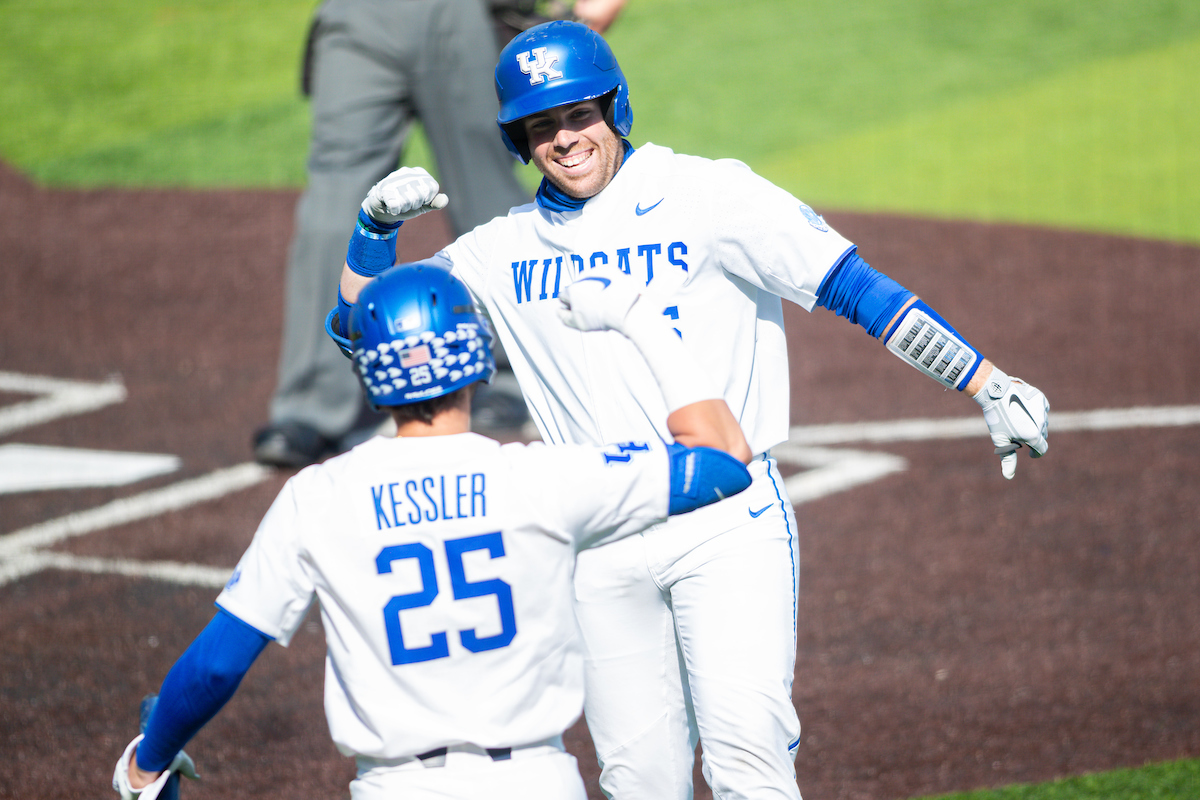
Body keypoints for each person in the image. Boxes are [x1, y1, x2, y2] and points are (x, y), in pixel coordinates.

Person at [330, 20, 1051, 799]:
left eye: (579, 114)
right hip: (601, 541)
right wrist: (372, 235)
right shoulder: (499, 251)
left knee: (750, 763)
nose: (565, 139)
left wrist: (984, 381)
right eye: (541, 125)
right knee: (640, 783)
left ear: (616, 108)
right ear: (519, 138)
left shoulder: (710, 195)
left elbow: (852, 286)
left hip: (726, 524)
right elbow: (362, 333)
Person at [113, 262, 753, 800]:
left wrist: (152, 757)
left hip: (397, 787)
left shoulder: (318, 497)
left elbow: (218, 664)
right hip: (534, 781)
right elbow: (725, 461)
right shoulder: (544, 477)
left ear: (371, 376)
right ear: (473, 357)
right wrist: (637, 317)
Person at [254, 0, 628, 468]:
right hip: (356, 14)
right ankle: (311, 402)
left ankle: (508, 373)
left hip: (465, 11)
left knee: (486, 181)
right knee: (336, 200)